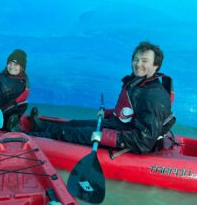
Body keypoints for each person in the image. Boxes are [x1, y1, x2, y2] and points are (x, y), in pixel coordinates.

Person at [27, 41, 175, 154]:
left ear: (156, 66)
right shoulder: (138, 83)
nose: (138, 64)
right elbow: (128, 112)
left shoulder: (153, 95)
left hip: (126, 138)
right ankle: (40, 127)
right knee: (73, 124)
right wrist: (109, 113)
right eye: (136, 59)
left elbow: (144, 140)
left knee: (67, 133)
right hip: (119, 127)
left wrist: (104, 137)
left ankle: (26, 139)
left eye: (144, 61)